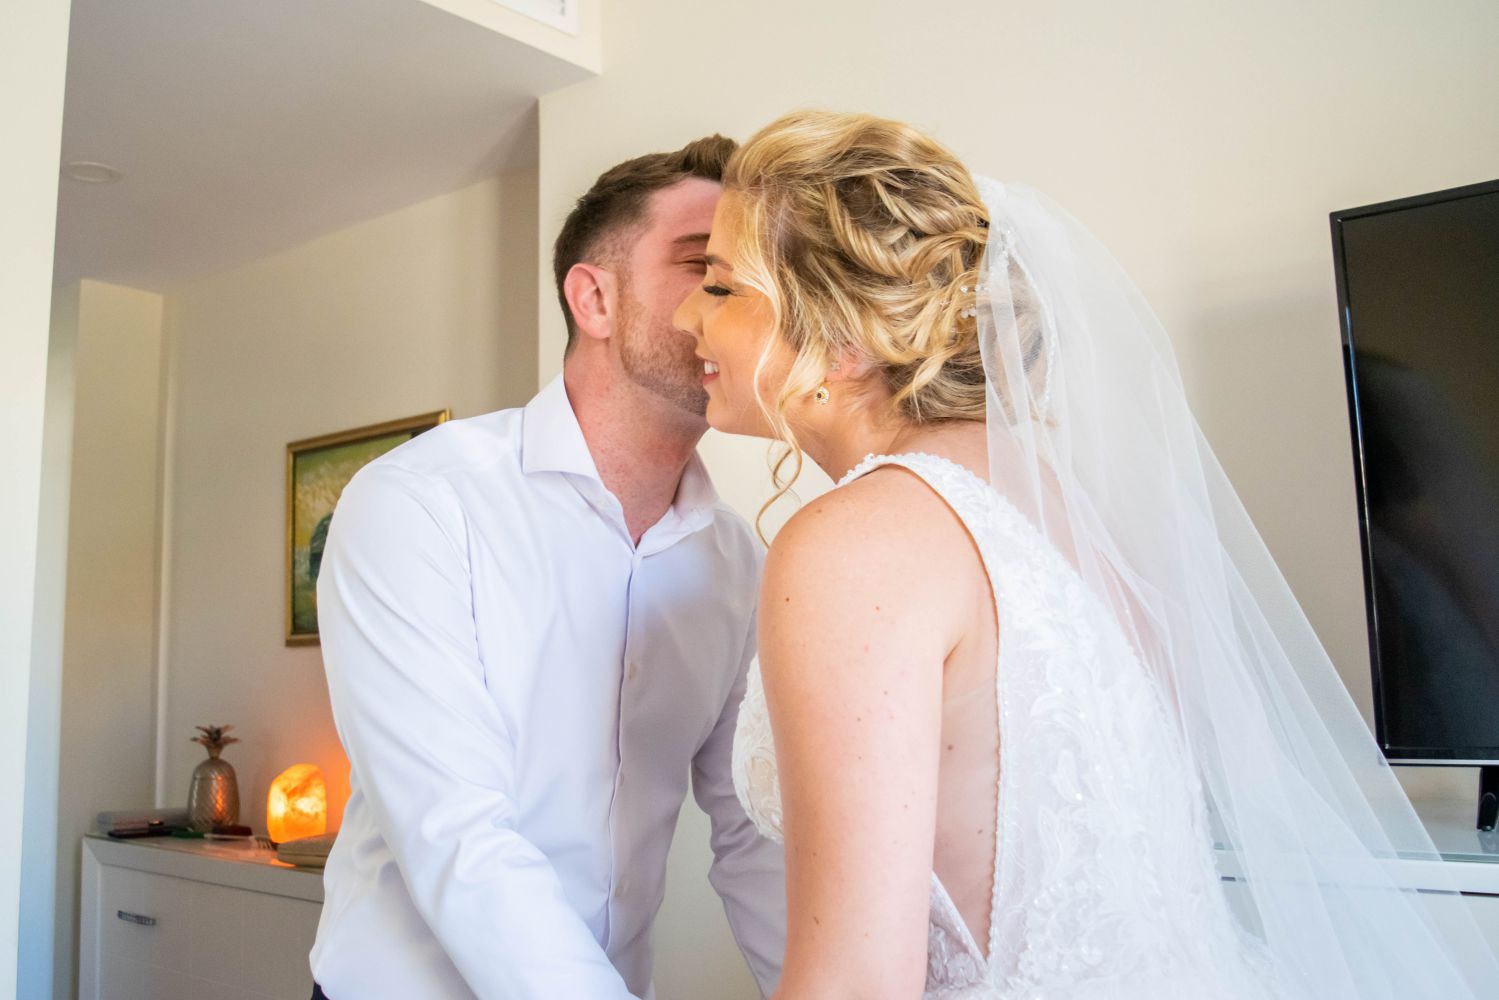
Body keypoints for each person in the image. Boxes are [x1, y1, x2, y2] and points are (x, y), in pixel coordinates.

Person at [673, 110, 1498, 998]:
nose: (687, 314)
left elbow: (855, 985)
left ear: (840, 338)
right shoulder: (1053, 506)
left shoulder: (856, 543)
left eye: (719, 285)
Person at [310, 136, 787, 999]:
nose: (739, 303)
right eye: (703, 267)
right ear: (594, 299)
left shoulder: (738, 564)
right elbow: (456, 830)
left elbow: (754, 829)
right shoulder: (421, 503)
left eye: (746, 275)